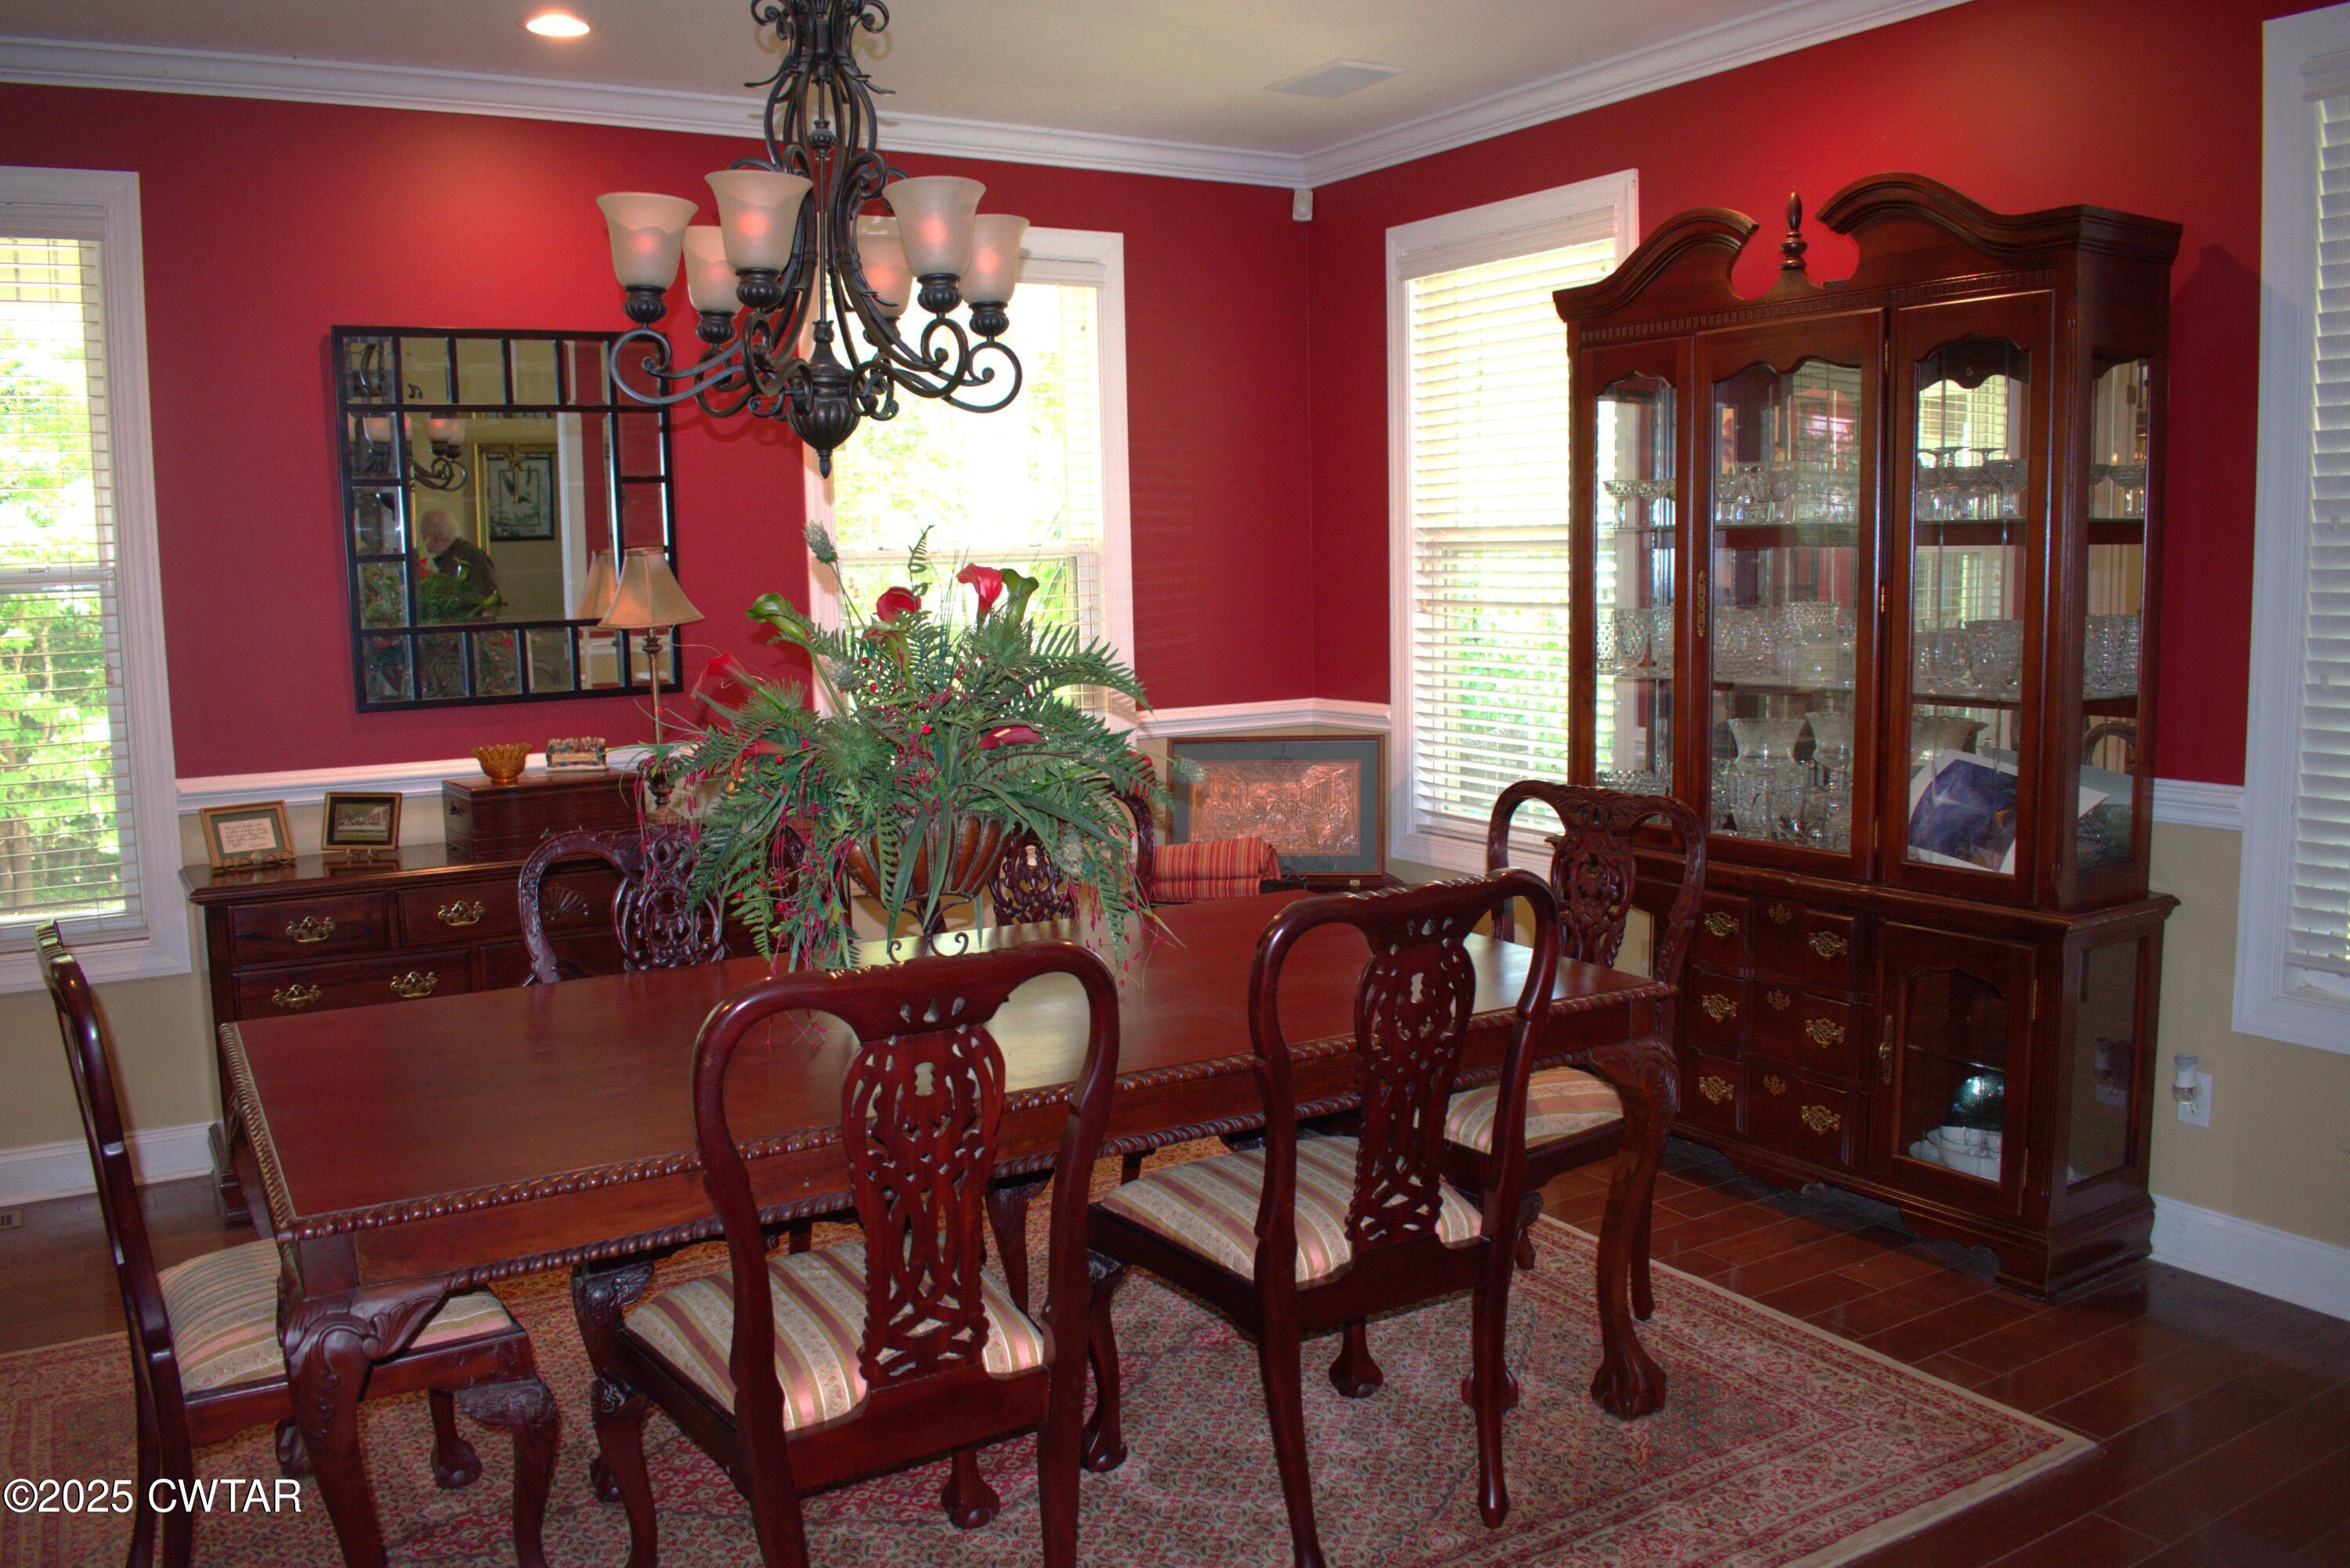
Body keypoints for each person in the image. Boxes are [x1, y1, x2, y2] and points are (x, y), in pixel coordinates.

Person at [416, 509, 500, 618]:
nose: (423, 540)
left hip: (468, 627)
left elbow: (488, 600)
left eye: (423, 535)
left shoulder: (470, 558)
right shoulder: (457, 556)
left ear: (432, 537)